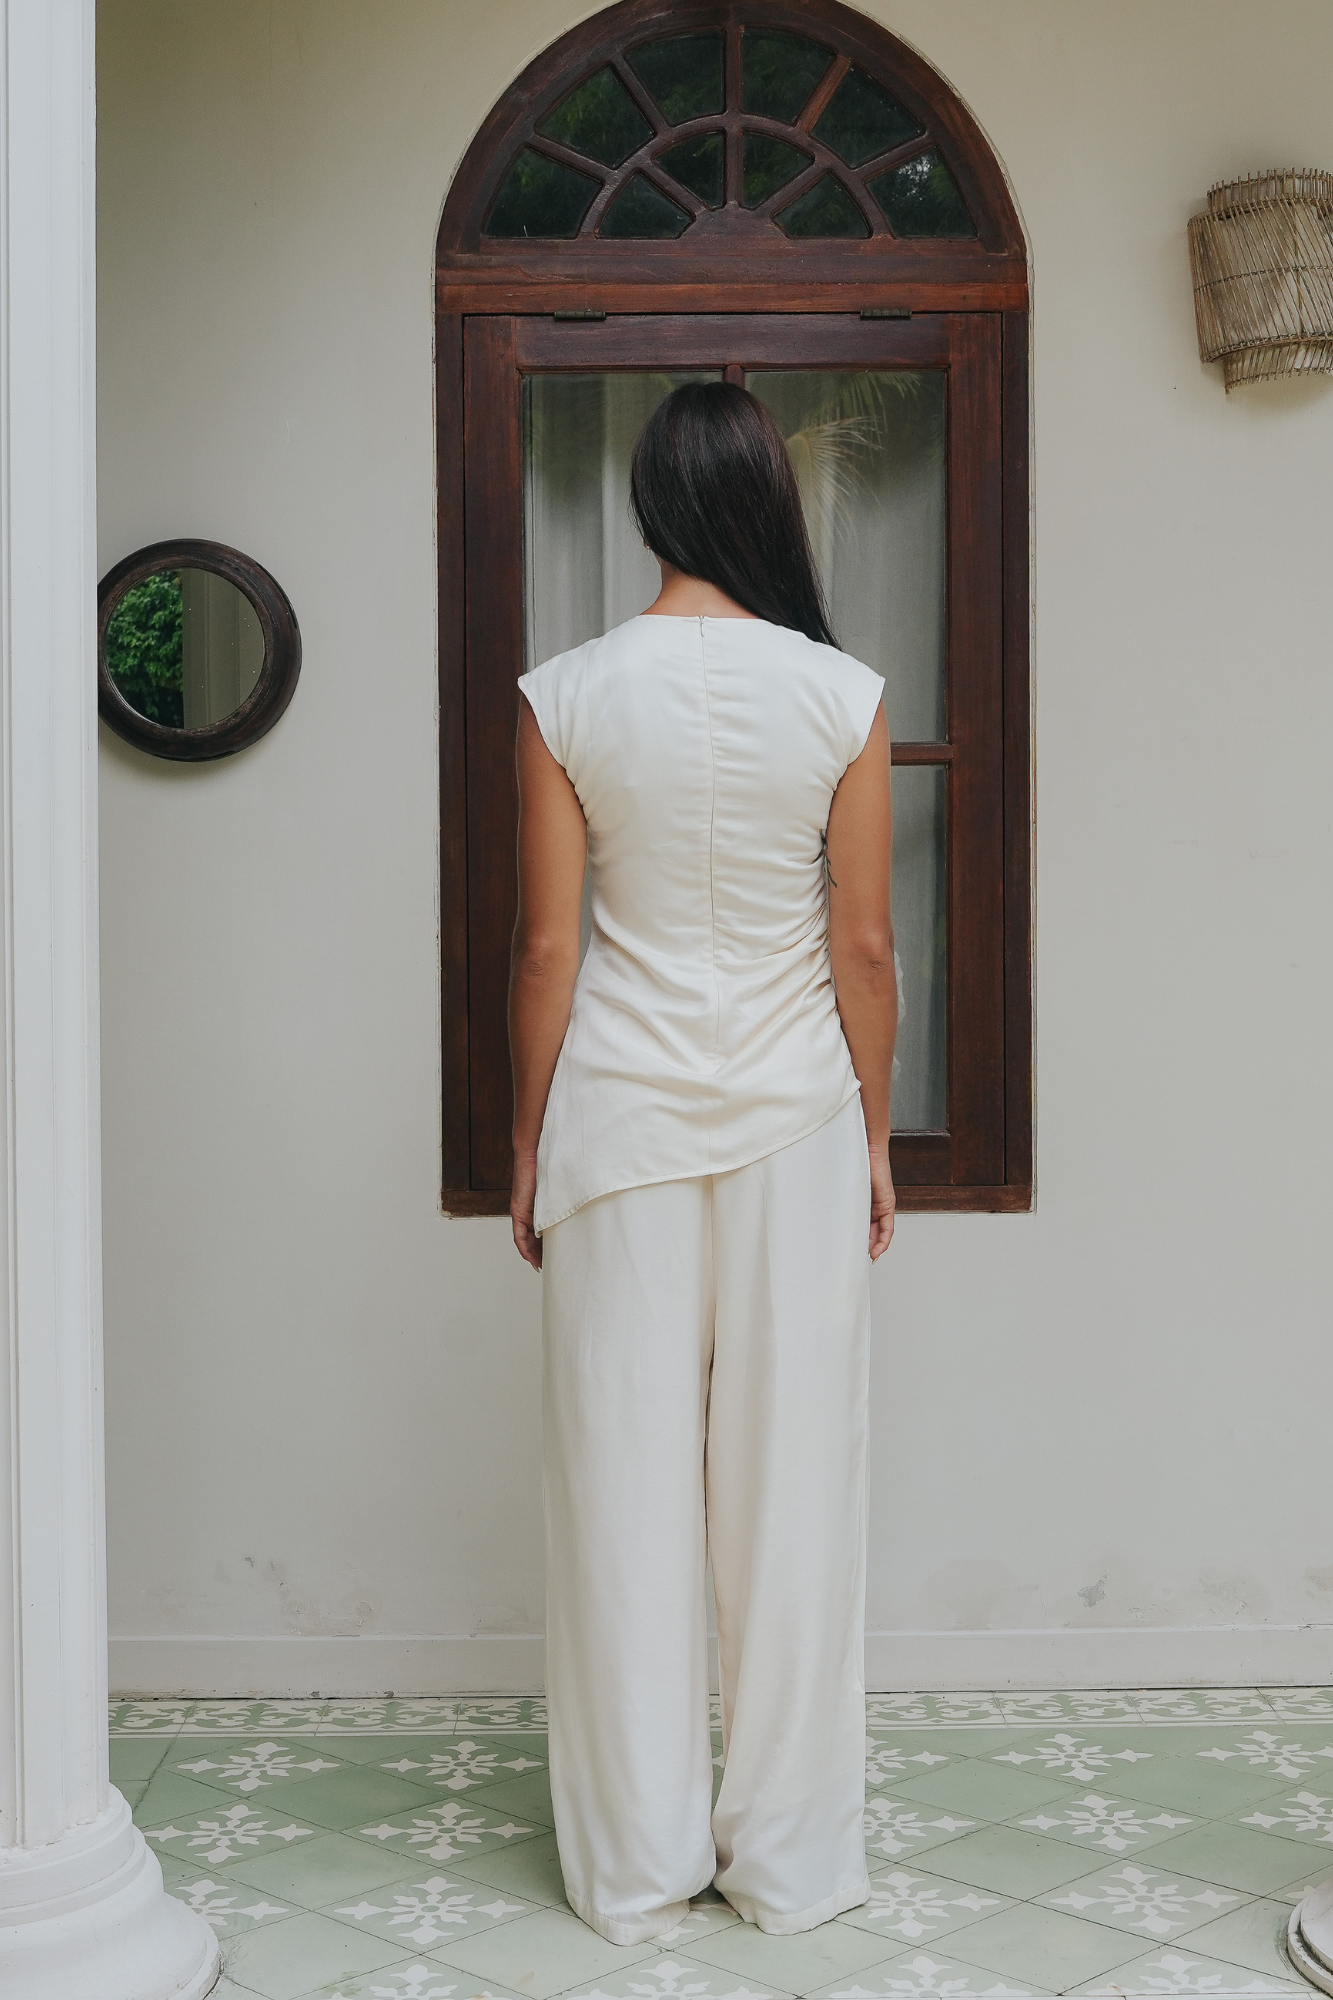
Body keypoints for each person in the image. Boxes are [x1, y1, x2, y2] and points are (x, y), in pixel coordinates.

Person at [508, 382, 897, 1947]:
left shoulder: (566, 694)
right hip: (798, 1118)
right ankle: (790, 1866)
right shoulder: (844, 694)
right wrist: (877, 1138)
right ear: (766, 507)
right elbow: (864, 946)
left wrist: (526, 1142)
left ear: (649, 510)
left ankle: (633, 1864)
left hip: (619, 1124)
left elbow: (549, 948)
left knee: (621, 1489)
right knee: (796, 1494)